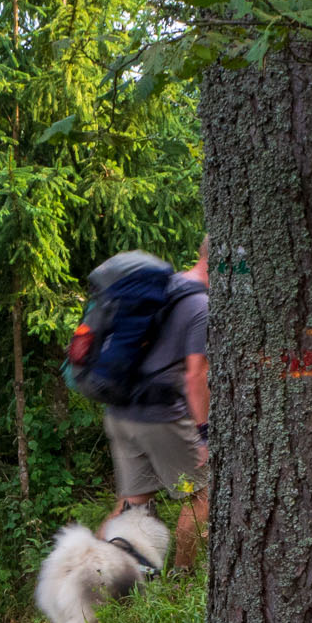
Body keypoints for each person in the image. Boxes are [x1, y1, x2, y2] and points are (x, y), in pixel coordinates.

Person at [104, 236, 209, 573]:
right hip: (162, 417)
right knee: (204, 494)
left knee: (133, 507)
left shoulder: (168, 286)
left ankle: (98, 585)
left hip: (122, 411)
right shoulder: (202, 306)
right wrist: (205, 434)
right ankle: (181, 580)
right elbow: (195, 376)